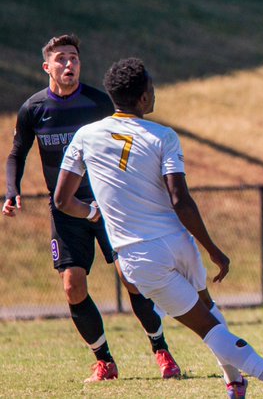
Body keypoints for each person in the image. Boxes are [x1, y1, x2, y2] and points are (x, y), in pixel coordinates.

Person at [53, 58, 263, 399]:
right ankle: (251, 384)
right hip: (178, 242)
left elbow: (62, 199)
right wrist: (213, 250)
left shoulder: (85, 135)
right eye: (152, 88)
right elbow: (180, 200)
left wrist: (91, 212)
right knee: (210, 316)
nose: (154, 92)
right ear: (143, 99)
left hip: (140, 256)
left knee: (207, 328)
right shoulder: (164, 136)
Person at [3, 34, 180, 383]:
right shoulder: (34, 109)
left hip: (107, 206)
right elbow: (16, 153)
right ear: (47, 67)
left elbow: (128, 142)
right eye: (61, 59)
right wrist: (12, 191)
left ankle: (162, 351)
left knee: (132, 279)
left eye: (74, 59)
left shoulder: (99, 104)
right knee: (73, 286)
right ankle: (105, 361)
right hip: (65, 211)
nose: (69, 65)